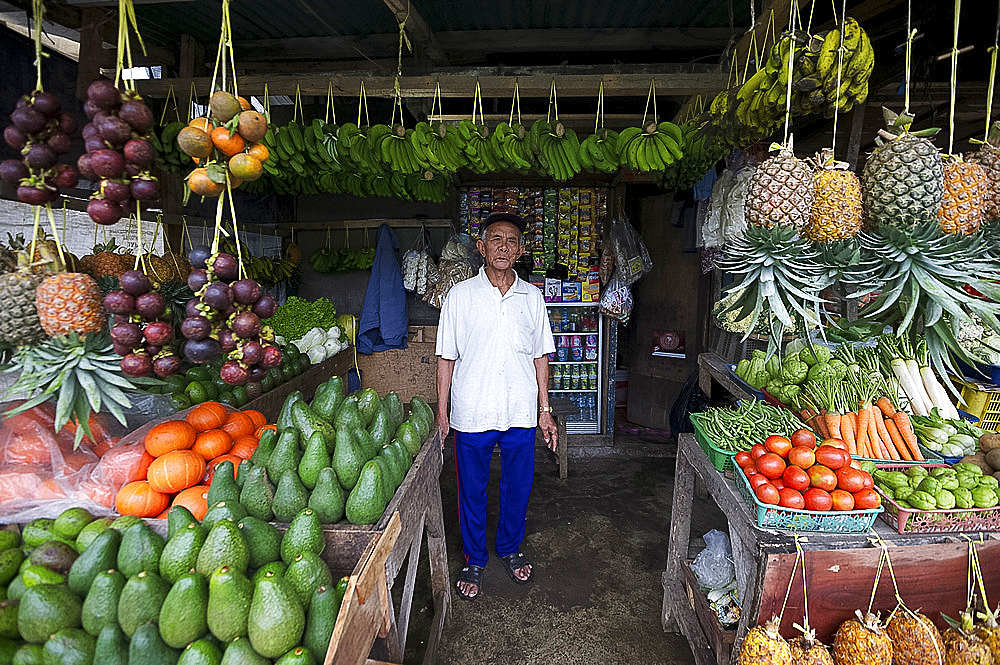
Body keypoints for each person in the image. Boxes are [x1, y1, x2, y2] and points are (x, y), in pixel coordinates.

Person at [435, 211, 558, 601]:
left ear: (520, 250)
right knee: (471, 488)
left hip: (520, 410)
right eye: (496, 240)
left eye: (511, 241)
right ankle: (474, 557)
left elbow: (541, 356)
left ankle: (509, 547)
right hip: (472, 410)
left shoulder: (532, 297)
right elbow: (445, 357)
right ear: (481, 246)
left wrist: (545, 409)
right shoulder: (460, 296)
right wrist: (442, 411)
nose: (503, 247)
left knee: (517, 487)